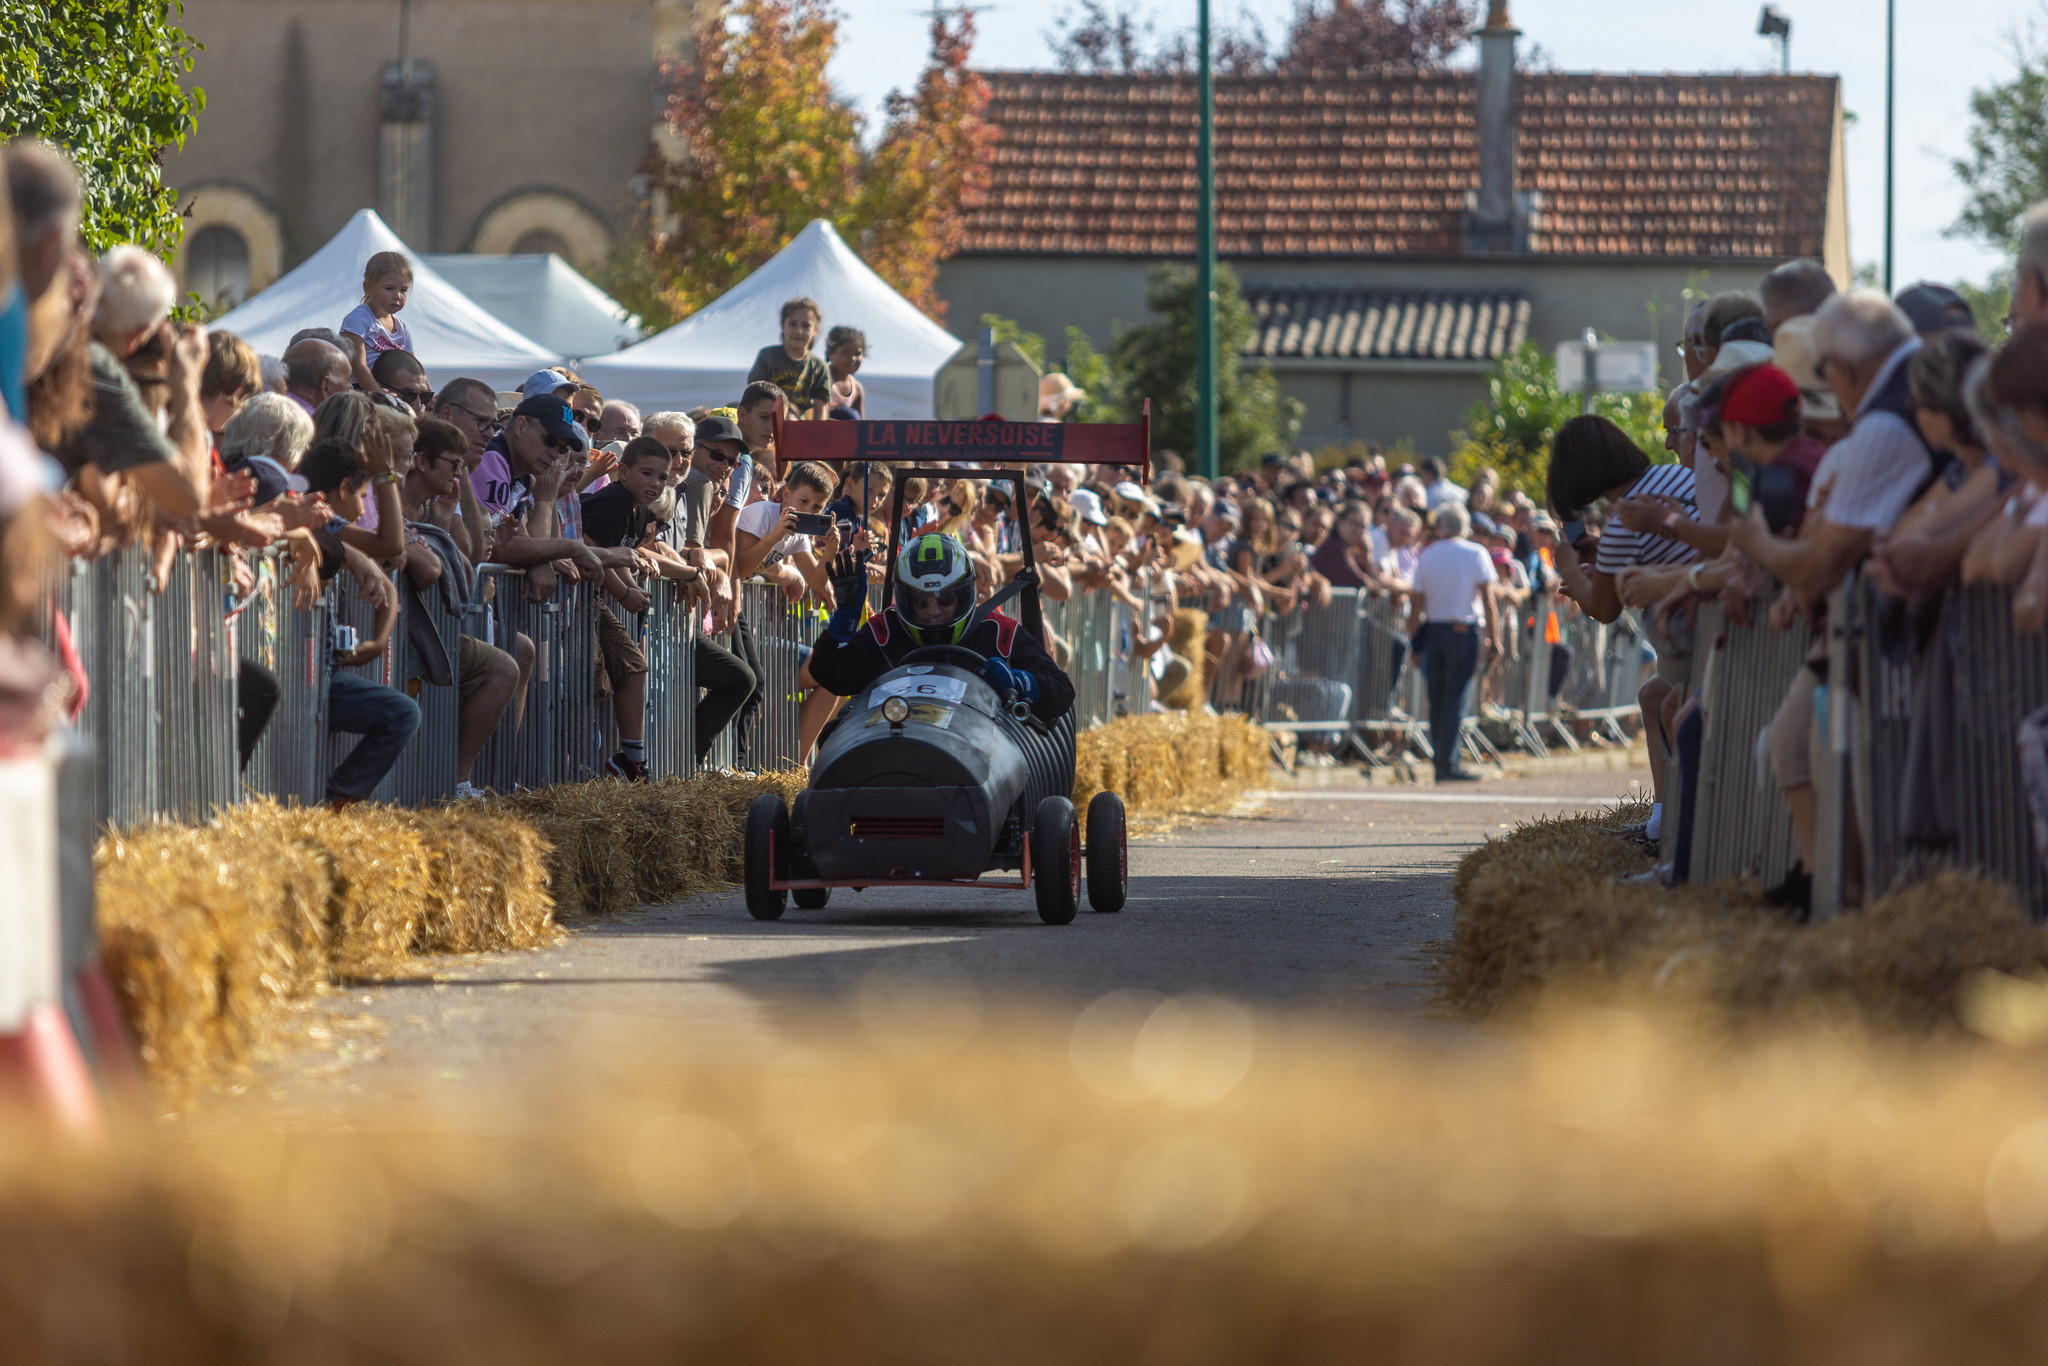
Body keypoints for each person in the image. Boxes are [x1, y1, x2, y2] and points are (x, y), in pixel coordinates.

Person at [809, 530, 1075, 725]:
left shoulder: (998, 632)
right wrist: (845, 616)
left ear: (963, 594)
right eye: (921, 602)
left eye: (945, 599)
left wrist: (1016, 681)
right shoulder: (885, 630)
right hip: (893, 749)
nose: (934, 611)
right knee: (834, 729)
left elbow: (1061, 690)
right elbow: (829, 675)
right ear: (904, 598)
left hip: (980, 753)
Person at [396, 416, 523, 798]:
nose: (459, 473)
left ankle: (457, 781)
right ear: (422, 462)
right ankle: (452, 782)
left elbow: (467, 563)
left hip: (427, 633)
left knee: (506, 663)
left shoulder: (429, 507)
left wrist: (443, 521)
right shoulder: (395, 503)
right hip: (404, 636)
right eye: (455, 464)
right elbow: (448, 571)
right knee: (503, 666)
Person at [297, 435, 422, 806]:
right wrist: (385, 477)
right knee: (401, 713)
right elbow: (389, 545)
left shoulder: (329, 525)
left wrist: (379, 642)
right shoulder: (316, 516)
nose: (363, 507)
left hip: (317, 671)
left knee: (401, 712)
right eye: (363, 497)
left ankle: (335, 801)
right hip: (303, 672)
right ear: (344, 488)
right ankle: (336, 801)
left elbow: (387, 581)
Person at [578, 436, 674, 780]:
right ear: (622, 471)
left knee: (634, 667)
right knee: (591, 681)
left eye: (662, 477)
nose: (655, 483)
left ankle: (631, 759)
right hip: (575, 599)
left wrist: (631, 588)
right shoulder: (614, 502)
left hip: (595, 599)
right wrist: (623, 593)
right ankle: (575, 765)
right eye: (647, 473)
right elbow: (589, 548)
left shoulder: (639, 510)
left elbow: (616, 554)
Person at [678, 413, 760, 765]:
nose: (726, 466)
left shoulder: (704, 485)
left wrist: (718, 565)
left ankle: (683, 765)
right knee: (741, 679)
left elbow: (702, 554)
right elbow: (692, 554)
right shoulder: (697, 483)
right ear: (693, 450)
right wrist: (718, 565)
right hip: (660, 617)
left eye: (734, 461)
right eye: (717, 456)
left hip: (677, 618)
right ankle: (683, 764)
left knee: (743, 680)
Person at [1408, 502, 1497, 782]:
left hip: (1433, 631)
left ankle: (1442, 763)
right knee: (1454, 700)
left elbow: (1415, 605)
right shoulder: (1476, 553)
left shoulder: (1427, 555)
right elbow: (1488, 601)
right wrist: (1495, 639)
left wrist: (1414, 644)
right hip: (1461, 631)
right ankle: (1448, 764)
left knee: (1436, 700)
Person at [340, 249, 414, 397]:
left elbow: (413, 368)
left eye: (403, 290)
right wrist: (379, 395)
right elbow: (359, 366)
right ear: (367, 287)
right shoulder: (358, 320)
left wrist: (427, 393)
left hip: (392, 392)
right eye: (389, 288)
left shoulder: (401, 327)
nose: (397, 296)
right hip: (359, 391)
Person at [747, 297, 831, 418]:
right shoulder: (768, 356)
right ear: (782, 325)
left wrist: (816, 435)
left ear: (816, 330)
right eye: (793, 324)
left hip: (801, 425)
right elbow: (753, 396)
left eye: (806, 325)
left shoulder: (819, 366)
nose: (799, 331)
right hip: (767, 419)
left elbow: (821, 409)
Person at [283, 337, 349, 417]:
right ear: (326, 387)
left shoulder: (267, 409)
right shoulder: (313, 426)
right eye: (347, 380)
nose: (350, 388)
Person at [825, 326, 866, 417]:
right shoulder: (823, 380)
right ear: (830, 353)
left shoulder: (857, 389)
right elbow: (814, 415)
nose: (852, 358)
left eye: (857, 354)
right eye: (846, 352)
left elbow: (861, 426)